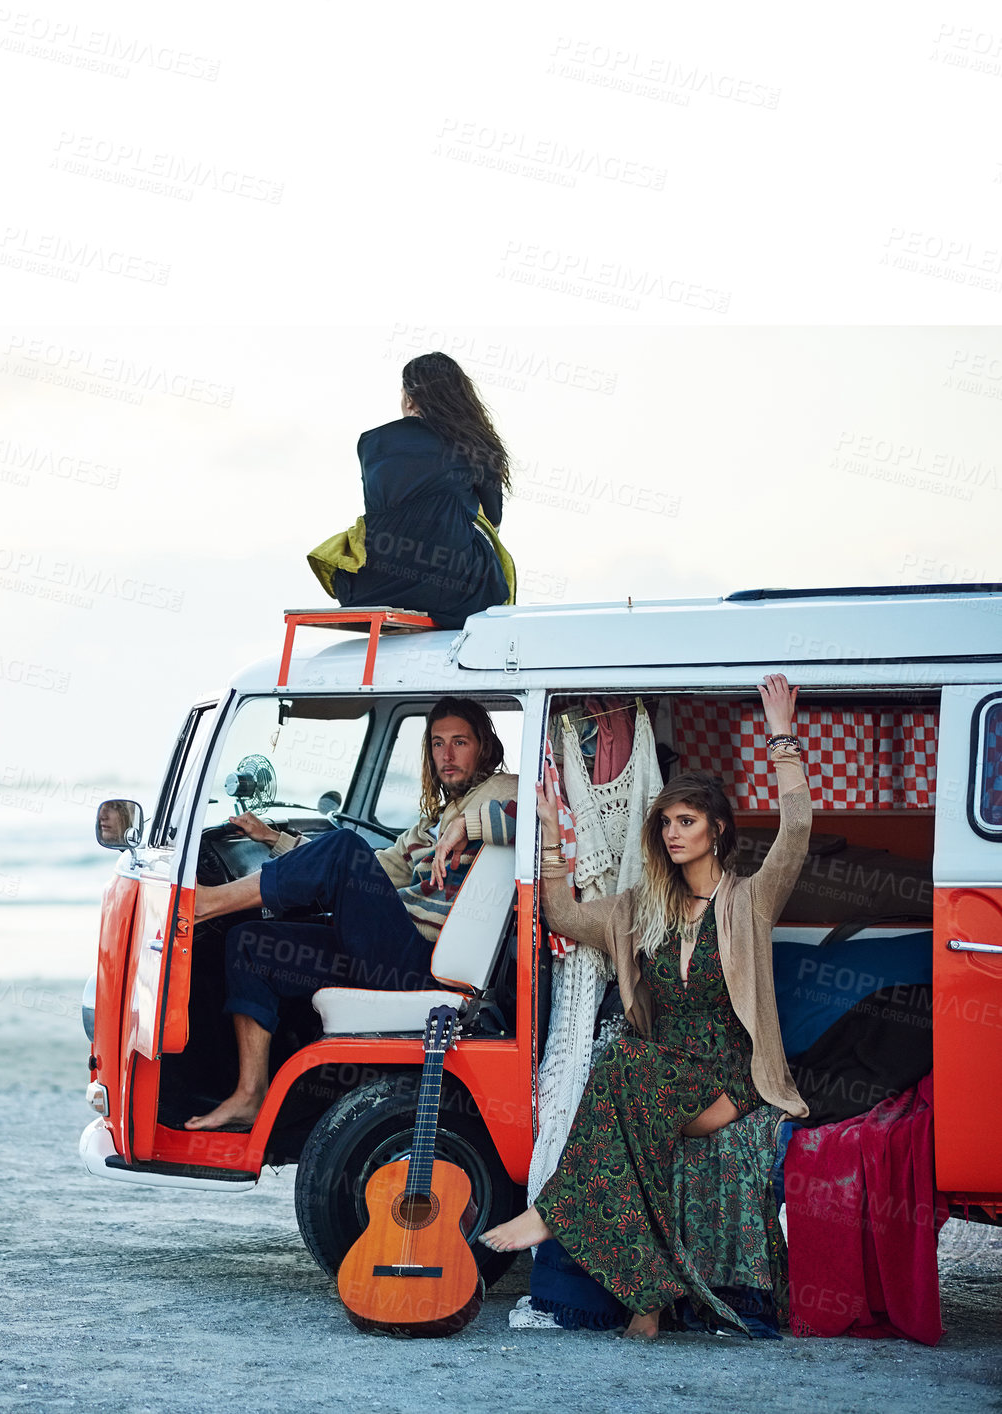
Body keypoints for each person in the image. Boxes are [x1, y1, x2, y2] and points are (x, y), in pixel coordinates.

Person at [479, 675, 810, 1340]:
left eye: (686, 821)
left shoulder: (751, 899)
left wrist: (782, 737)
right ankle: (648, 1299)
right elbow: (565, 915)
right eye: (664, 823)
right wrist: (548, 834)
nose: (672, 832)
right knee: (626, 1064)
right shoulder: (640, 910)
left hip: (729, 1078)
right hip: (662, 1072)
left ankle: (560, 1218)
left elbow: (797, 826)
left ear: (717, 830)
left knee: (622, 1065)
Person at [185, 697, 517, 1131]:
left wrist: (468, 826)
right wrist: (273, 839)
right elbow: (373, 872)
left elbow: (538, 819)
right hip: (387, 947)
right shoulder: (429, 823)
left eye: (460, 742)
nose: (447, 755)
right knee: (250, 945)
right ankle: (250, 1095)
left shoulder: (507, 789)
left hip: (422, 962)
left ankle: (208, 902)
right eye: (437, 744)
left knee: (344, 846)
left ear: (484, 748)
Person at [331, 352, 512, 629]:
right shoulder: (476, 443)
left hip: (374, 586)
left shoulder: (371, 443)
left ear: (409, 398)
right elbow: (493, 521)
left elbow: (383, 510)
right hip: (455, 588)